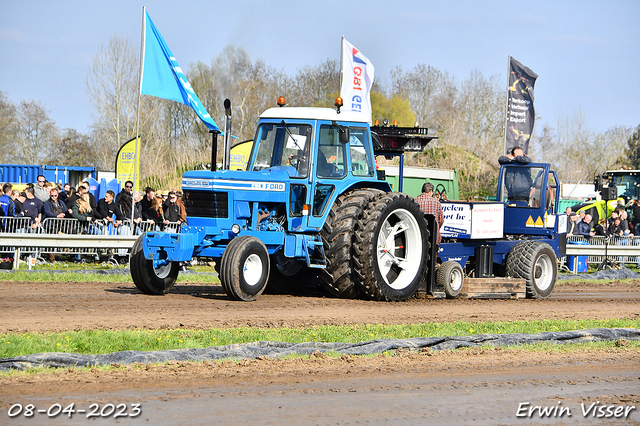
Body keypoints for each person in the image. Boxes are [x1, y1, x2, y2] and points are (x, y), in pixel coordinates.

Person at [415, 182, 444, 246]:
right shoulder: (436, 203)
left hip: (418, 237)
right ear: (431, 192)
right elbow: (441, 221)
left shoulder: (415, 201)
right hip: (434, 238)